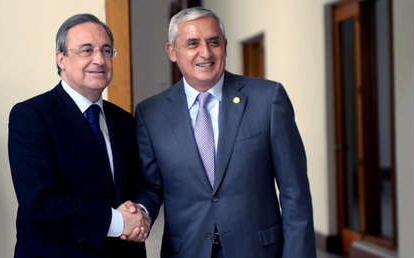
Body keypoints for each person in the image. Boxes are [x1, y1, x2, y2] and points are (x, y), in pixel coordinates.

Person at [134, 7, 316, 258]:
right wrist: (140, 211)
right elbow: (151, 186)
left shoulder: (268, 99)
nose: (205, 53)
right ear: (172, 52)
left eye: (213, 42)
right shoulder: (150, 114)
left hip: (258, 250)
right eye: (192, 43)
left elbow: (295, 193)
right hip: (186, 251)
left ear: (225, 46)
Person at [8, 13, 150, 258]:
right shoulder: (31, 115)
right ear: (61, 58)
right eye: (87, 50)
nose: (99, 60)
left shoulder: (125, 121)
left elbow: (141, 183)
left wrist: (141, 213)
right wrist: (118, 222)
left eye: (107, 51)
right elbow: (40, 201)